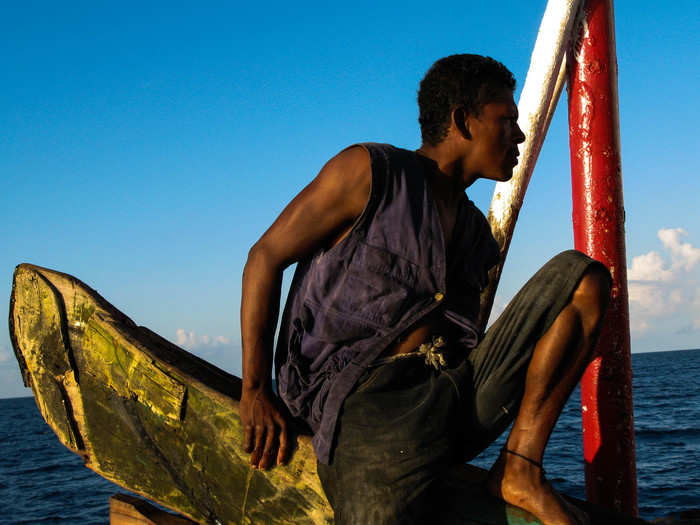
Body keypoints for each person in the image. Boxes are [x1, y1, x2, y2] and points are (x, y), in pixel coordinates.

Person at [240, 54, 611, 525]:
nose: (519, 136)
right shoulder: (371, 172)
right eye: (506, 121)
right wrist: (255, 389)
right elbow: (264, 258)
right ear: (462, 120)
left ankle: (520, 468)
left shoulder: (477, 234)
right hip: (362, 410)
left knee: (582, 279)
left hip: (448, 397)